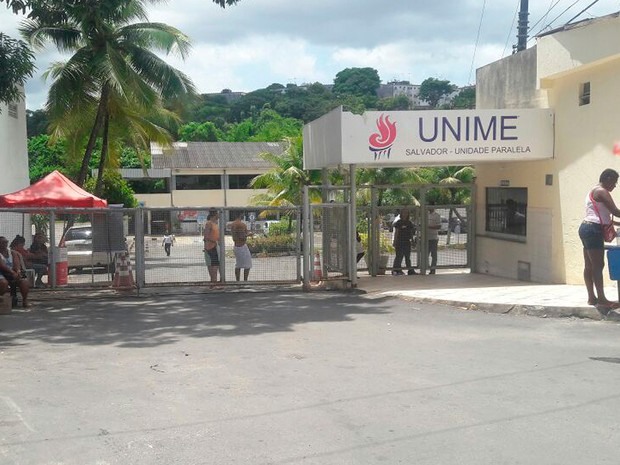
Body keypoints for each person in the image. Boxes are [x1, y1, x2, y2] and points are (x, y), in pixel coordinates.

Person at [579, 168, 620, 313]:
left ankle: (592, 297)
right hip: (594, 230)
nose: (614, 186)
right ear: (607, 178)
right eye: (614, 183)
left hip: (586, 228)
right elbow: (615, 211)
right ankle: (601, 299)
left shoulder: (593, 190)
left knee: (589, 265)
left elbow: (603, 215)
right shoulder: (602, 191)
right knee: (598, 265)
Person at [0, 236, 30, 308]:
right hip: (2, 273)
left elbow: (17, 264)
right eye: (3, 242)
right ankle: (1, 298)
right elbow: (2, 266)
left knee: (24, 282)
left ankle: (25, 300)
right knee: (4, 283)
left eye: (6, 242)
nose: (5, 244)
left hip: (11, 273)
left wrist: (18, 272)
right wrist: (12, 273)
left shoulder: (12, 253)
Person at [391, 209, 417, 276]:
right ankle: (396, 270)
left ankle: (410, 270)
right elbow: (396, 232)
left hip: (407, 241)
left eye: (406, 213)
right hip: (399, 241)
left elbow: (411, 233)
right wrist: (395, 241)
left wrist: (412, 241)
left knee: (407, 257)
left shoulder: (409, 223)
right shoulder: (398, 222)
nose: (405, 214)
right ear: (401, 214)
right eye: (404, 213)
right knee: (399, 256)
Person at [230, 212, 253, 281]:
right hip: (241, 246)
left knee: (238, 264)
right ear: (240, 215)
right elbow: (241, 236)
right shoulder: (241, 224)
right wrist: (249, 234)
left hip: (236, 245)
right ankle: (245, 281)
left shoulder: (233, 224)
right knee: (248, 264)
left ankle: (238, 281)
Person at [203, 209, 221, 287]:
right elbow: (206, 236)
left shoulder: (215, 224)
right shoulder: (209, 223)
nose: (219, 216)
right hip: (210, 247)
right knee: (213, 265)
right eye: (217, 214)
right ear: (215, 214)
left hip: (215, 246)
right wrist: (213, 242)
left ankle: (214, 283)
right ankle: (213, 283)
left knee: (215, 265)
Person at [427, 206, 442, 275]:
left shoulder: (437, 215)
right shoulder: (425, 214)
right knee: (425, 254)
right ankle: (425, 268)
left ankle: (433, 270)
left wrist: (429, 227)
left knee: (434, 255)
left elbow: (439, 226)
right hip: (425, 238)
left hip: (433, 238)